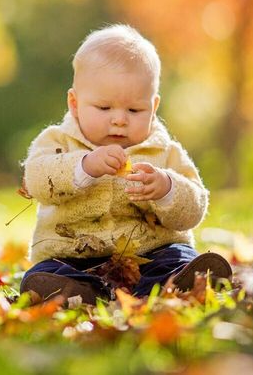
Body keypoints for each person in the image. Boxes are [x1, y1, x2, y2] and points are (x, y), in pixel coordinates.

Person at [19, 23, 231, 304]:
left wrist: (167, 188)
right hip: (74, 253)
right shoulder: (58, 142)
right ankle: (82, 291)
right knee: (45, 272)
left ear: (153, 108)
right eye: (104, 108)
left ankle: (175, 283)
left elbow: (195, 207)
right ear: (74, 103)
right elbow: (35, 179)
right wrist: (83, 166)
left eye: (134, 110)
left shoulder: (164, 152)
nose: (119, 119)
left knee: (176, 257)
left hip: (151, 254)